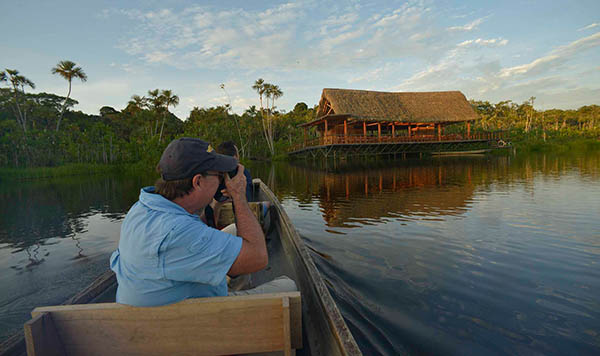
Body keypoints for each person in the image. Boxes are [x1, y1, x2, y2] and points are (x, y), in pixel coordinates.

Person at [110, 138, 296, 307]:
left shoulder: (142, 207)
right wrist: (239, 196)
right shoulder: (178, 232)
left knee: (232, 231)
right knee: (289, 286)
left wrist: (213, 202)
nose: (223, 181)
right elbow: (258, 257)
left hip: (161, 303)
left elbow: (193, 233)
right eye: (219, 176)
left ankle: (237, 285)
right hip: (190, 323)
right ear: (197, 182)